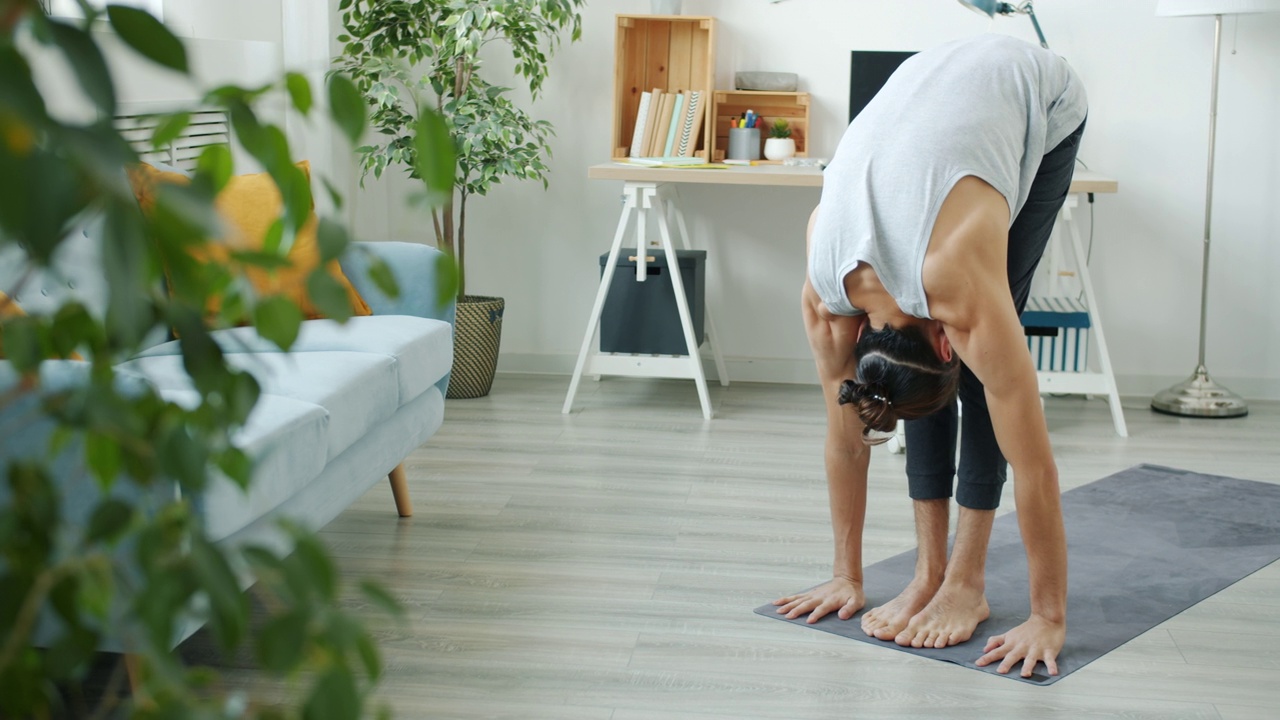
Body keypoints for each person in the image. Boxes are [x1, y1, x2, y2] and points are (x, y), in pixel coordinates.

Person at [773, 33, 1087, 679]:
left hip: (1037, 92)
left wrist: (1048, 617)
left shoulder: (959, 285)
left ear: (946, 338)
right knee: (915, 385)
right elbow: (848, 436)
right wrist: (845, 576)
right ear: (860, 338)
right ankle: (927, 573)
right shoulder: (825, 290)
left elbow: (1035, 466)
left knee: (988, 377)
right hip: (932, 85)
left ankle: (964, 581)